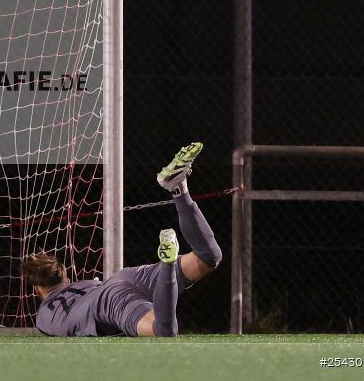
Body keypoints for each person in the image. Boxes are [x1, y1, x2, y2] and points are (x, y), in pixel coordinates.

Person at [21, 142, 222, 337]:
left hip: (107, 300)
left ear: (38, 290)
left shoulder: (44, 318)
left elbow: (69, 326)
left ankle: (168, 262)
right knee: (208, 256)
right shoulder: (81, 285)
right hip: (123, 278)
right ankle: (179, 189)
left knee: (163, 330)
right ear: (65, 278)